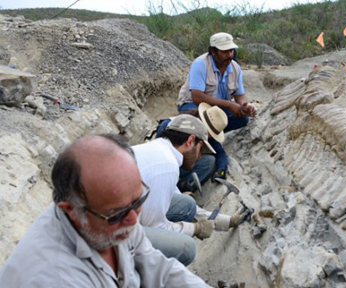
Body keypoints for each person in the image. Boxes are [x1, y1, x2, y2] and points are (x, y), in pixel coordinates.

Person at [0, 134, 210, 287]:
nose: (133, 219)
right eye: (117, 214)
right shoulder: (54, 278)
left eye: (138, 201)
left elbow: (156, 266)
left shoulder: (115, 215)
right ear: (70, 210)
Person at [134, 114, 249, 265]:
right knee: (186, 248)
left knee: (186, 204)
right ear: (190, 141)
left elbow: (190, 208)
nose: (200, 156)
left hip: (113, 216)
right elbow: (156, 227)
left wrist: (226, 222)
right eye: (200, 148)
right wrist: (195, 228)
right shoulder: (166, 166)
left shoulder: (158, 149)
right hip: (106, 236)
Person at [177, 32, 256, 181]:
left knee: (243, 119)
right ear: (213, 51)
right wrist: (229, 104)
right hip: (192, 107)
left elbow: (239, 94)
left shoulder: (235, 68)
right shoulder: (200, 64)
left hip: (216, 109)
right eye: (225, 51)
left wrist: (244, 105)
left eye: (231, 51)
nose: (230, 55)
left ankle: (209, 134)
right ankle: (213, 144)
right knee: (203, 122)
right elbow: (197, 97)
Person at [155, 103, 229, 188]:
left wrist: (221, 171)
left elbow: (220, 153)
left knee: (210, 161)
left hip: (180, 166)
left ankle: (184, 187)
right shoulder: (171, 124)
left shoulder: (206, 135)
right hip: (162, 165)